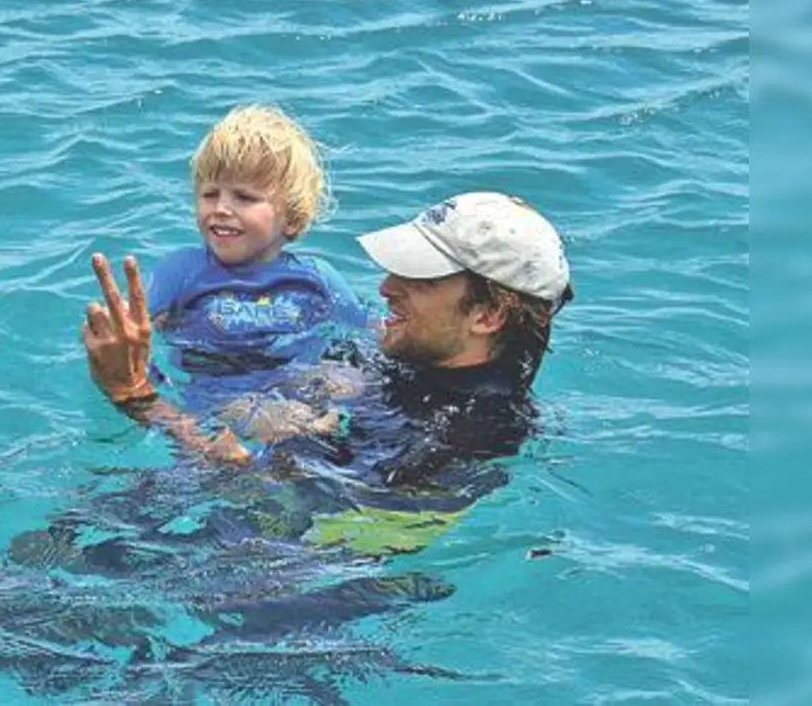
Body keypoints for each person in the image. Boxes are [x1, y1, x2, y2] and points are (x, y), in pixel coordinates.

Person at [83, 191, 574, 486]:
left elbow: (320, 542)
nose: (386, 288)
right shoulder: (385, 360)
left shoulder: (473, 438)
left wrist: (137, 397)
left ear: (487, 315)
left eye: (419, 278)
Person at [135, 103, 369, 405]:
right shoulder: (182, 271)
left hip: (293, 387)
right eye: (209, 194)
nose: (220, 208)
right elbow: (128, 328)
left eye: (244, 197)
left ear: (293, 218)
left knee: (351, 381)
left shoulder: (317, 277)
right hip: (218, 397)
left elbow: (365, 331)